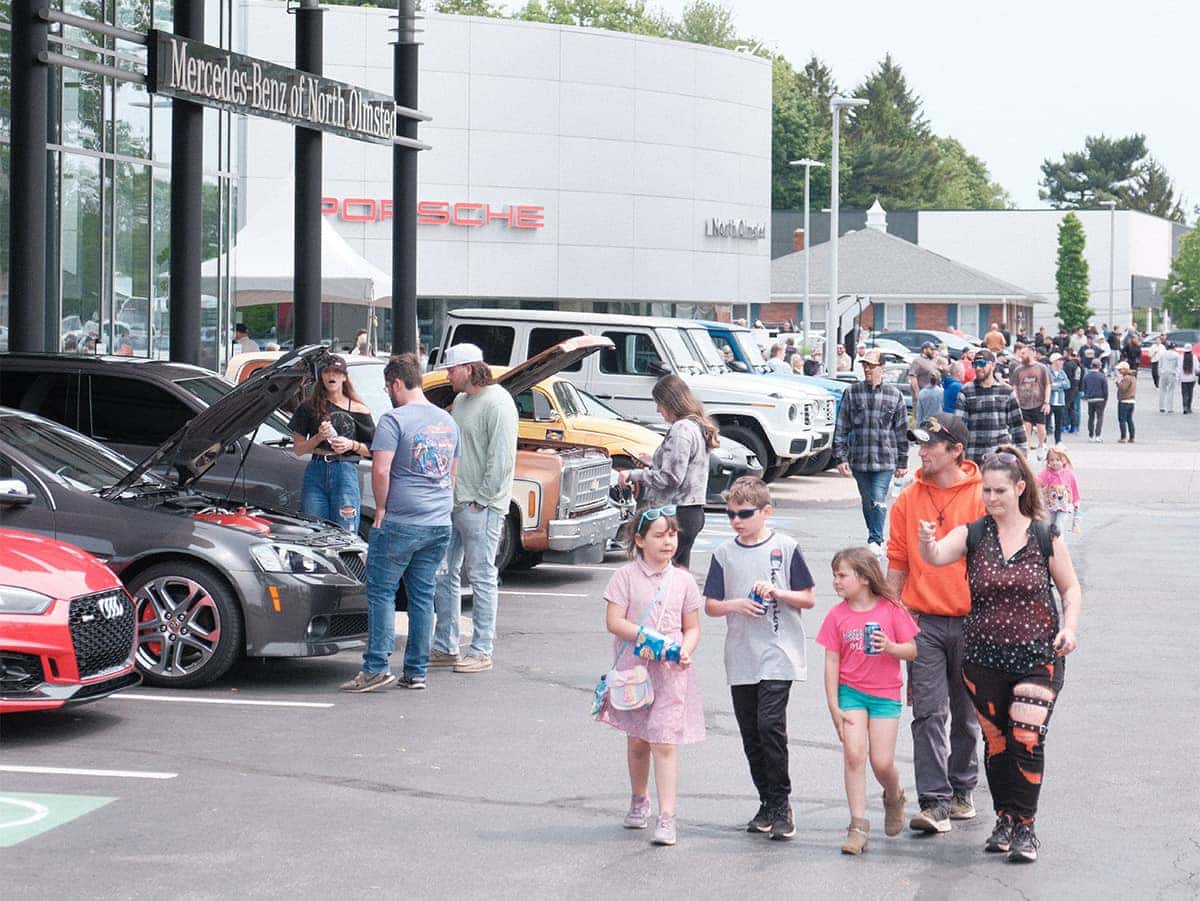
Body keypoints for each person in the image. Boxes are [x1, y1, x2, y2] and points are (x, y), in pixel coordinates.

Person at [917, 447, 1082, 863]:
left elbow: (1070, 588)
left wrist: (1070, 627)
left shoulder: (1045, 534)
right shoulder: (974, 534)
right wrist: (925, 541)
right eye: (986, 491)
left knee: (1026, 738)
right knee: (997, 744)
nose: (991, 498)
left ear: (1020, 488)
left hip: (1037, 656)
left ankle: (1025, 828)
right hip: (984, 658)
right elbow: (936, 556)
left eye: (999, 490)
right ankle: (1005, 818)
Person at [886, 412, 986, 833]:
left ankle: (962, 789)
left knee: (965, 714)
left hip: (971, 622)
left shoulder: (983, 496)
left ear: (956, 451)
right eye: (919, 444)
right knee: (927, 713)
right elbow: (897, 561)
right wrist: (894, 614)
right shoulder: (908, 498)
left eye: (930, 444)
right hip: (923, 622)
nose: (921, 451)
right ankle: (934, 801)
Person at [703, 477, 815, 842]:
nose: (736, 520)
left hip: (779, 652)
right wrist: (736, 604)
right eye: (731, 514)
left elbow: (808, 597)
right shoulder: (724, 554)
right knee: (751, 733)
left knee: (770, 725)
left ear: (766, 512)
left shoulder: (785, 546)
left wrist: (777, 592)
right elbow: (711, 605)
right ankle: (766, 801)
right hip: (741, 654)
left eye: (744, 514)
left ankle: (782, 803)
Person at [341, 354, 460, 693]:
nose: (387, 392)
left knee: (381, 591)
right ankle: (416, 671)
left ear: (395, 383)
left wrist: (380, 509)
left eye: (387, 386)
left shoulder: (394, 420)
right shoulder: (447, 422)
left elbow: (381, 469)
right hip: (439, 521)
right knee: (423, 595)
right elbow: (452, 474)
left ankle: (377, 666)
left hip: (401, 521)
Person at [600, 504, 704, 847]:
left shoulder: (684, 580)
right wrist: (646, 638)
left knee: (664, 741)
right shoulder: (625, 577)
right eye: (659, 535)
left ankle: (667, 815)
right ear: (640, 540)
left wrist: (685, 648)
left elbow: (692, 627)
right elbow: (614, 621)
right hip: (635, 669)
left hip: (671, 671)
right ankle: (639, 798)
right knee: (637, 739)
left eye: (672, 534)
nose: (667, 542)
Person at [818, 547, 918, 855]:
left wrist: (889, 646)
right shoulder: (837, 615)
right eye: (834, 575)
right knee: (854, 754)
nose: (836, 581)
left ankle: (893, 795)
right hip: (851, 693)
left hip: (885, 693)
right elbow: (831, 662)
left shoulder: (890, 609)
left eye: (842, 575)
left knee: (881, 761)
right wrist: (834, 706)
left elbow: (912, 650)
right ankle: (858, 825)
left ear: (863, 578)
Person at [431, 344, 519, 674]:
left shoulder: (498, 402)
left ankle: (482, 649)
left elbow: (501, 458)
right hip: (455, 502)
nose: (448, 375)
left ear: (468, 368)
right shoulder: (463, 402)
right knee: (445, 574)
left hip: (481, 506)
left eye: (451, 370)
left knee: (481, 577)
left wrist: (481, 500)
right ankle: (446, 645)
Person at [618, 375, 717, 568]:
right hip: (692, 511)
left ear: (671, 402)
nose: (658, 410)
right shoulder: (696, 426)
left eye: (660, 403)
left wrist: (631, 474)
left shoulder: (681, 429)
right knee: (679, 574)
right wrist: (653, 462)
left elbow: (670, 478)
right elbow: (686, 468)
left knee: (657, 572)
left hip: (674, 511)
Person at [833, 349, 909, 556]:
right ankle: (873, 534)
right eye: (865, 365)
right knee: (867, 502)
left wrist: (903, 462)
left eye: (872, 366)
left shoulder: (895, 395)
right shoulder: (852, 392)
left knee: (878, 498)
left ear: (882, 369)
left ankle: (876, 540)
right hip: (859, 458)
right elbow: (842, 426)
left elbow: (901, 432)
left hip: (885, 459)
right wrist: (840, 457)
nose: (867, 369)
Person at [289, 357, 375, 534]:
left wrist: (351, 444)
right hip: (316, 467)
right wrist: (318, 437)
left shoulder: (360, 409)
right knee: (314, 528)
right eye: (327, 372)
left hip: (345, 469)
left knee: (346, 529)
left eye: (336, 372)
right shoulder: (308, 407)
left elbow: (373, 450)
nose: (331, 375)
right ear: (321, 376)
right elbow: (298, 449)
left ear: (344, 377)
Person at [955, 350, 1028, 464]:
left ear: (993, 365)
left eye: (982, 364)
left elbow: (1017, 426)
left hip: (1001, 457)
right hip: (974, 456)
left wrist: (1022, 457)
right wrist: (958, 458)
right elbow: (959, 428)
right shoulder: (966, 391)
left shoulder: (1006, 391)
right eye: (975, 364)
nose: (978, 368)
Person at [1012, 344, 1051, 458]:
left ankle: (1041, 445)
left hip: (1039, 402)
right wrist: (1016, 399)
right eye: (1021, 354)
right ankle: (1026, 450)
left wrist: (1046, 402)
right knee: (1026, 428)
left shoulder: (1041, 368)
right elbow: (1014, 386)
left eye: (1024, 353)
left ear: (1031, 353)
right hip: (1023, 404)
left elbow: (1048, 385)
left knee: (1041, 428)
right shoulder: (1018, 370)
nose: (1021, 356)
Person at [1038, 446, 1080, 535]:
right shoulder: (1046, 473)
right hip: (1051, 505)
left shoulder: (1069, 474)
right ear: (1048, 461)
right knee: (1050, 525)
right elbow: (1038, 482)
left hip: (1064, 505)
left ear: (1064, 460)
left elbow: (1074, 488)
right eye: (1052, 460)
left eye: (1058, 460)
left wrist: (1076, 502)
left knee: (1058, 525)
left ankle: (1058, 543)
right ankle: (1051, 543)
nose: (1055, 462)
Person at [1082, 359, 1108, 442]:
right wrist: (1105, 399)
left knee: (1091, 417)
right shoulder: (1102, 376)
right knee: (1100, 417)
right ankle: (1098, 435)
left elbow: (1084, 388)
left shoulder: (1087, 376)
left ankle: (1091, 435)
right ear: (1099, 366)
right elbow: (1105, 390)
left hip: (1090, 399)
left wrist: (1086, 396)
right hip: (1100, 399)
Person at [1047, 354, 1070, 445]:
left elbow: (1068, 384)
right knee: (1046, 423)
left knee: (1059, 423)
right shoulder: (1048, 372)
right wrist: (1059, 384)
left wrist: (1056, 385)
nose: (1062, 362)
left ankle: (1058, 441)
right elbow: (1048, 385)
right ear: (1054, 361)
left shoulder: (1062, 372)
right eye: (1060, 360)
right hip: (1049, 401)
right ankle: (1044, 441)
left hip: (1060, 401)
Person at [1116, 361, 1137, 443]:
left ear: (1125, 369)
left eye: (1120, 369)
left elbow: (1123, 389)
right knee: (1129, 419)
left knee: (1122, 420)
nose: (1119, 371)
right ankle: (1132, 437)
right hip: (1131, 401)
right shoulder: (1133, 377)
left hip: (1124, 401)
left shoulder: (1126, 378)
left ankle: (1123, 437)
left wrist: (1117, 382)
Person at [1062, 350, 1083, 434]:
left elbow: (1066, 378)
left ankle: (1065, 425)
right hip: (1076, 389)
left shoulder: (1068, 365)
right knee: (1075, 409)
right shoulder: (1080, 366)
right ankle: (1074, 426)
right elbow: (1081, 379)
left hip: (1069, 389)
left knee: (1065, 408)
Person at [1158, 342, 1181, 413]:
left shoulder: (1163, 354)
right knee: (1171, 391)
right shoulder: (1177, 355)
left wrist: (1160, 373)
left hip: (1163, 373)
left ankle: (1161, 407)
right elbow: (1178, 366)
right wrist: (1178, 375)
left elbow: (1160, 365)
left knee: (1162, 390)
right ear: (1174, 348)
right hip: (1172, 373)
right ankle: (1170, 408)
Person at [1181, 347, 1196, 414]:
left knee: (1184, 393)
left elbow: (1178, 368)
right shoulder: (1194, 357)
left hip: (1183, 379)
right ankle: (1189, 407)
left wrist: (1178, 378)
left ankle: (1185, 407)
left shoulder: (1181, 357)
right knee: (1190, 393)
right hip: (1192, 378)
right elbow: (1197, 368)